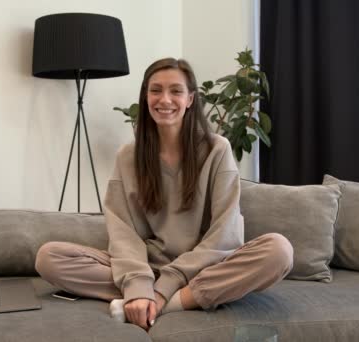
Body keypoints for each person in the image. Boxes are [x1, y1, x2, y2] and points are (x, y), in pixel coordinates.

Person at [35, 58, 294, 331]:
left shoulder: (217, 150)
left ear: (191, 99)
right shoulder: (128, 156)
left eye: (176, 91)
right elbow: (123, 231)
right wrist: (139, 282)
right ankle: (157, 297)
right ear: (146, 96)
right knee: (49, 257)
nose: (165, 99)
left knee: (278, 251)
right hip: (149, 266)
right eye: (155, 90)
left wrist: (160, 292)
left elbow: (224, 234)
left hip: (205, 267)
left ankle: (158, 306)